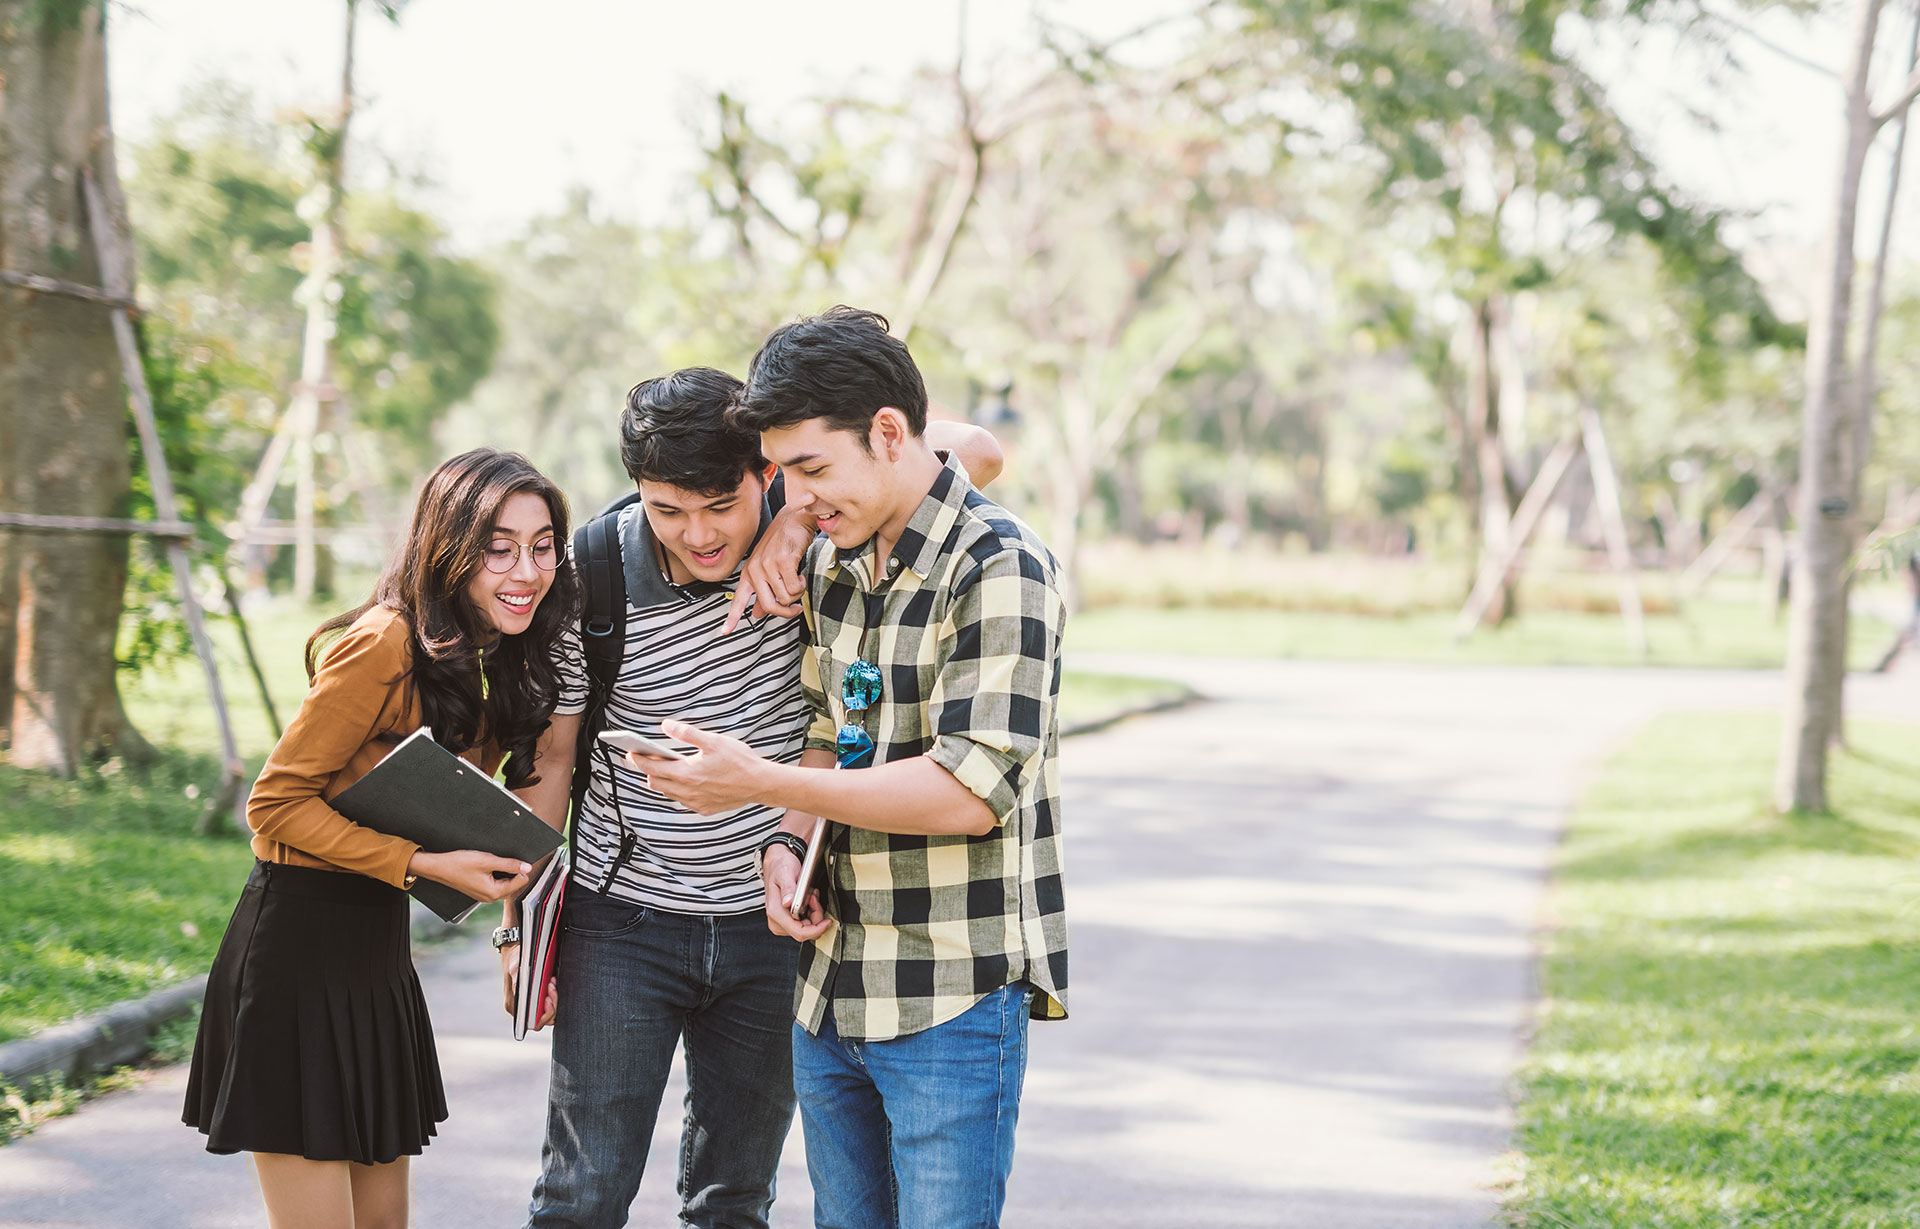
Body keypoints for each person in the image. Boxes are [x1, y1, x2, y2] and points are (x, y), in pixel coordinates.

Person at [502, 368, 1002, 1229]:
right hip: (623, 919)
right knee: (579, 1195)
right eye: (667, 510)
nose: (698, 534)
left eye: (720, 504)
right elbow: (551, 760)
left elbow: (980, 452)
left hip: (773, 931)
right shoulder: (592, 573)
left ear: (764, 472)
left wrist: (794, 518)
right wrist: (520, 920)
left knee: (732, 1199)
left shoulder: (820, 523)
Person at [643, 307, 1070, 1229]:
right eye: (783, 474)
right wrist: (785, 848)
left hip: (949, 994)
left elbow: (965, 793)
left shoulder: (1002, 568)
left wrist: (758, 785)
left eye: (809, 469)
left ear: (887, 432)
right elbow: (826, 731)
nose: (792, 498)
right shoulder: (834, 558)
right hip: (830, 987)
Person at [183, 448, 580, 1229]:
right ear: (449, 547)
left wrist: (516, 940)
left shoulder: (492, 656)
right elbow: (273, 803)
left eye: (541, 546)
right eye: (498, 547)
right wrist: (420, 863)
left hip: (375, 961)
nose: (525, 569)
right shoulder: (384, 642)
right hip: (296, 953)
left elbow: (485, 823)